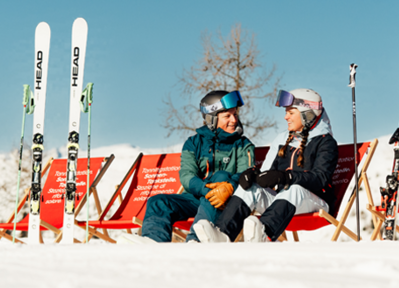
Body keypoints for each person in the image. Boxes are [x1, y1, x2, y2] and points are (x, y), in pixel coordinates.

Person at [193, 88, 338, 243]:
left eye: (290, 112)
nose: (285, 117)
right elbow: (266, 173)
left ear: (307, 114)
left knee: (295, 189)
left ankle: (264, 234)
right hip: (283, 200)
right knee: (250, 189)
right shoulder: (282, 139)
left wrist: (286, 177)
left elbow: (320, 178)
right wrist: (253, 175)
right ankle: (223, 234)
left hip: (316, 202)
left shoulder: (325, 142)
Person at [118, 90, 255, 244]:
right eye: (227, 116)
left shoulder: (243, 145)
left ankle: (196, 240)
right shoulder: (193, 143)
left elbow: (246, 173)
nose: (234, 120)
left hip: (227, 202)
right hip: (197, 198)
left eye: (235, 114)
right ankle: (154, 241)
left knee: (221, 176)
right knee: (158, 201)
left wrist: (230, 186)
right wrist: (206, 190)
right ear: (211, 119)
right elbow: (187, 176)